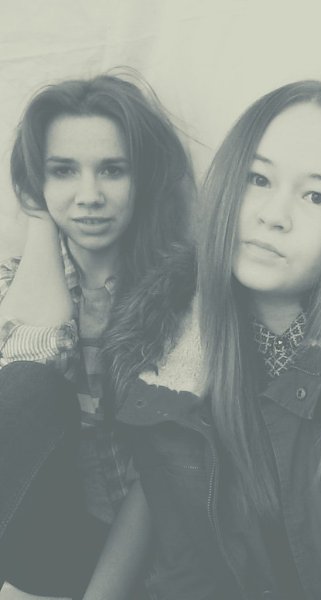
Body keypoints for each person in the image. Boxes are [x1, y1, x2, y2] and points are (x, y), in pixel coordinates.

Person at [91, 80, 321, 599]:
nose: (272, 215)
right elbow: (189, 575)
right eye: (257, 179)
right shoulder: (163, 362)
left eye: (317, 195)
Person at [0, 71, 195, 598]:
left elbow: (159, 471)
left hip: (161, 543)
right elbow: (21, 397)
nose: (89, 196)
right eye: (63, 171)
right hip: (55, 538)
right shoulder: (13, 286)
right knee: (27, 383)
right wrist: (41, 217)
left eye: (112, 170)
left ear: (144, 178)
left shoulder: (184, 292)